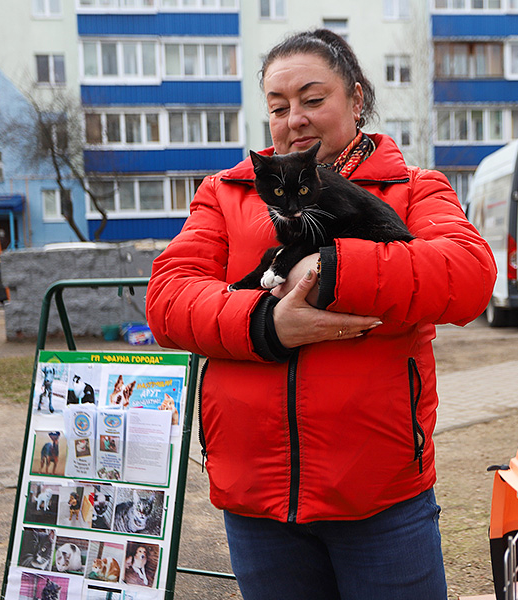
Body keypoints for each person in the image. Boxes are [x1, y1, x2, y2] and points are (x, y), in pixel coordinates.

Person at [145, 28, 497, 600]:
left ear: (356, 99)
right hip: (257, 499)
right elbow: (167, 300)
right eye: (279, 108)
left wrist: (328, 271)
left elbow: (467, 277)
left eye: (313, 99)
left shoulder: (412, 188)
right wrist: (266, 324)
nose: (296, 120)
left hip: (379, 496)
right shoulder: (227, 193)